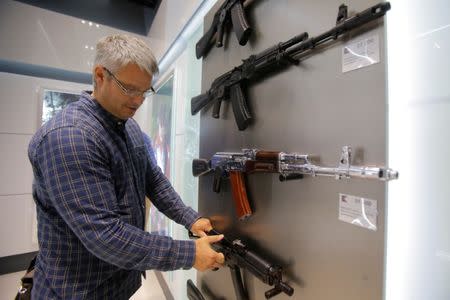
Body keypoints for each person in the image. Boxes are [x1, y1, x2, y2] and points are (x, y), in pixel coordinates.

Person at [28, 34, 224, 299]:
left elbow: (153, 180)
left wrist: (190, 218)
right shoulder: (70, 137)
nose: (138, 100)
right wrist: (188, 253)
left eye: (144, 91)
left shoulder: (129, 126)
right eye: (129, 89)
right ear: (100, 76)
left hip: (118, 282)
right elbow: (105, 235)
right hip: (76, 291)